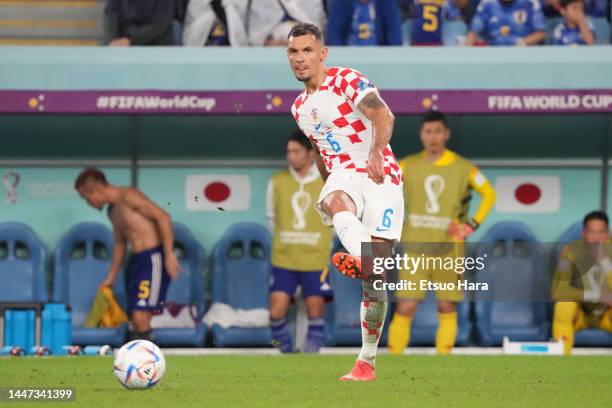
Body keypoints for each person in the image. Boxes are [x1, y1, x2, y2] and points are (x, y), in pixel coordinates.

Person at [287, 23, 404, 381]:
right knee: (336, 200)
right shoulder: (299, 108)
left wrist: (376, 152)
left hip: (381, 172)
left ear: (323, 53)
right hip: (343, 173)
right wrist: (329, 187)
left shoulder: (347, 80)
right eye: (293, 52)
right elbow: (322, 154)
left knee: (376, 280)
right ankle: (361, 253)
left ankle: (366, 361)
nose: (300, 58)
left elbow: (384, 115)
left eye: (307, 50)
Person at [387, 111, 496, 355]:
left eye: (438, 131)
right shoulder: (406, 165)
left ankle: (442, 364)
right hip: (414, 248)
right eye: (428, 132)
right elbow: (385, 193)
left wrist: (471, 225)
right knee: (405, 307)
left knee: (447, 307)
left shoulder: (464, 167)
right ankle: (393, 361)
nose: (433, 137)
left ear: (446, 134)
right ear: (421, 135)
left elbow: (490, 194)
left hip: (450, 249)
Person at [74, 168, 180, 341]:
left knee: (141, 315)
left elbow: (163, 217)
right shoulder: (112, 212)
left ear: (95, 190)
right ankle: (143, 357)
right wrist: (112, 275)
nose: (89, 203)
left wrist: (168, 253)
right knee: (136, 317)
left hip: (153, 259)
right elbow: (120, 243)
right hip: (137, 261)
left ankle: (149, 360)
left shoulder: (129, 196)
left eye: (87, 198)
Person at [267, 132, 333, 353]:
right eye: (289, 152)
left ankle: (310, 358)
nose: (291, 156)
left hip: (316, 259)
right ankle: (286, 355)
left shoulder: (327, 181)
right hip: (284, 258)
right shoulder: (277, 181)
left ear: (311, 153)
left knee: (315, 312)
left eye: (296, 151)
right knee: (276, 311)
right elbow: (271, 219)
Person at [552, 211, 612, 354]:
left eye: (601, 232)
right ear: (584, 233)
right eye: (591, 232)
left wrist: (604, 261)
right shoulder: (570, 251)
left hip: (607, 316)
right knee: (563, 306)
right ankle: (561, 360)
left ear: (608, 234)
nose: (596, 238)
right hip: (581, 316)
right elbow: (557, 291)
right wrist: (597, 295)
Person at [465, 0, 546, 46]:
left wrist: (522, 42)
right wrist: (465, 52)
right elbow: (473, 32)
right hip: (493, 53)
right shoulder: (487, 3)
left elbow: (541, 33)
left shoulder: (530, 3)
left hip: (523, 53)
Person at [327, 0, 403, 45]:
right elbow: (334, 32)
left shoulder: (386, 2)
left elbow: (394, 31)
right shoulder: (341, 2)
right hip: (348, 55)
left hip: (379, 55)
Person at [104, 0, 175, 46]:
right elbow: (110, 15)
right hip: (121, 38)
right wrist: (113, 39)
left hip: (154, 41)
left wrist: (130, 40)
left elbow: (159, 24)